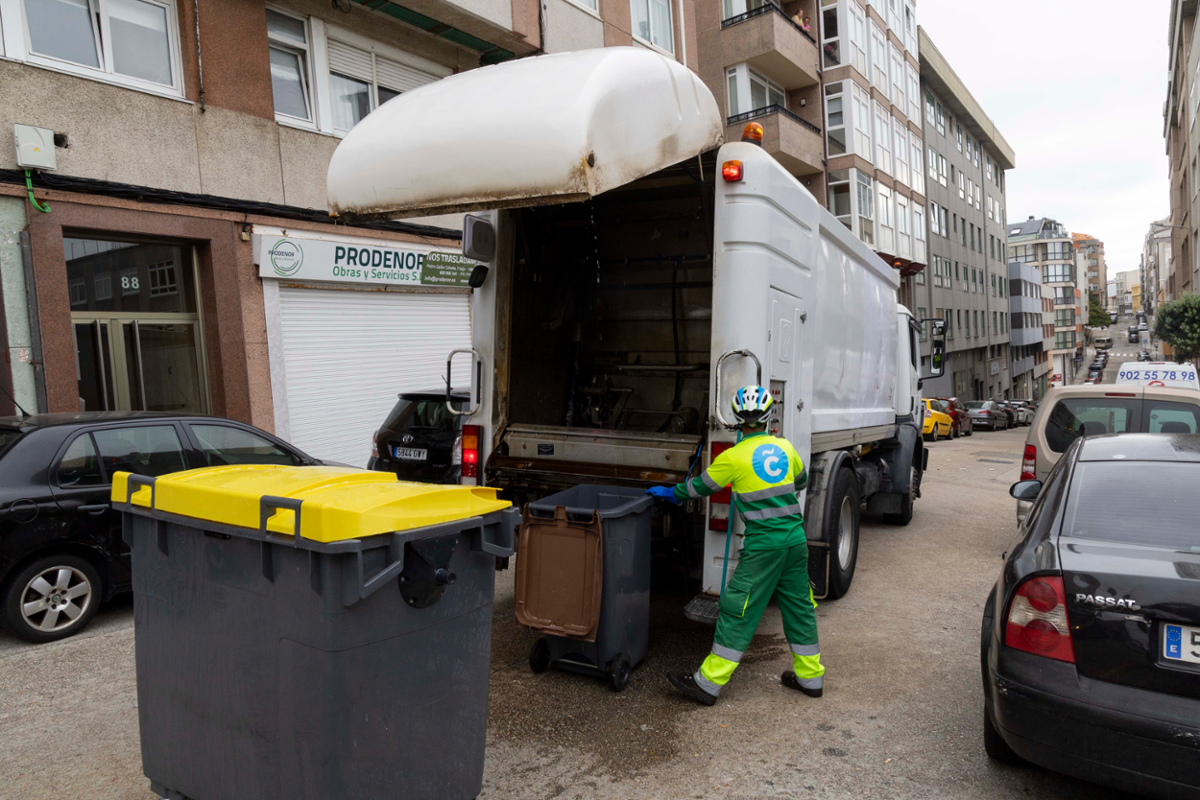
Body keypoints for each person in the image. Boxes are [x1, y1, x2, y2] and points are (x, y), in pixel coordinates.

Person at [646, 385, 824, 706]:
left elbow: (699, 488)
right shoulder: (785, 448)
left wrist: (669, 493)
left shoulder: (733, 457)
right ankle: (810, 677)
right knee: (799, 608)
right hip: (795, 543)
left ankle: (708, 683)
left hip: (763, 548)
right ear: (769, 418)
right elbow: (801, 481)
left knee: (737, 610)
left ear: (736, 421)